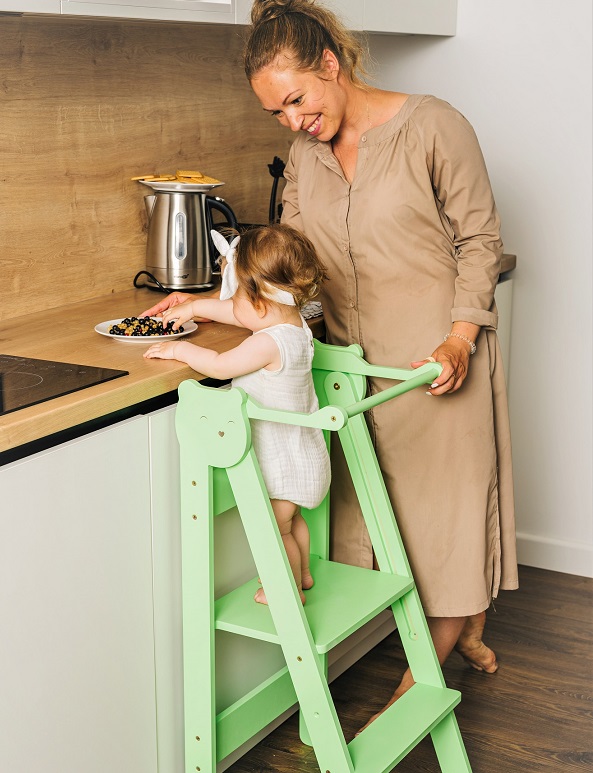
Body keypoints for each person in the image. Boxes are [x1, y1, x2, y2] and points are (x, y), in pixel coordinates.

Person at [143, 0, 519, 727]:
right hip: (349, 371)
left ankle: (419, 684)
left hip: (435, 362)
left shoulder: (434, 126)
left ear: (330, 65)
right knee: (382, 530)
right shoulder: (307, 161)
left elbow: (479, 241)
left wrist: (458, 339)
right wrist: (213, 307)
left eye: (296, 99)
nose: (291, 121)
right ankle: (465, 625)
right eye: (274, 113)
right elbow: (290, 268)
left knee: (445, 525)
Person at [143, 223, 331, 606]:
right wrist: (193, 306)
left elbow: (219, 365)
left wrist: (179, 351)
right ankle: (306, 574)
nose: (229, 306)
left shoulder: (265, 342)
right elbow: (237, 313)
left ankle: (289, 589)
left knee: (275, 529)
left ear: (258, 299)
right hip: (303, 452)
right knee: (293, 522)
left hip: (279, 460)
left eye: (236, 295)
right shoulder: (294, 325)